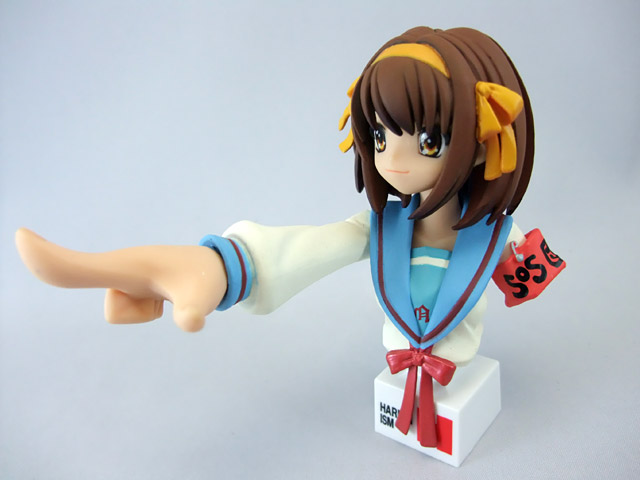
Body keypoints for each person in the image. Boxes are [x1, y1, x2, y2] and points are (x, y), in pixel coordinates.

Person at [15, 26, 564, 451]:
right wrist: (222, 269)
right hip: (402, 373)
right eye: (379, 135)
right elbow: (308, 250)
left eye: (427, 140)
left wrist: (522, 263)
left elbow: (528, 277)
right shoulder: (381, 230)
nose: (392, 160)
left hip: (454, 374)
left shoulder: (497, 236)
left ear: (482, 141)